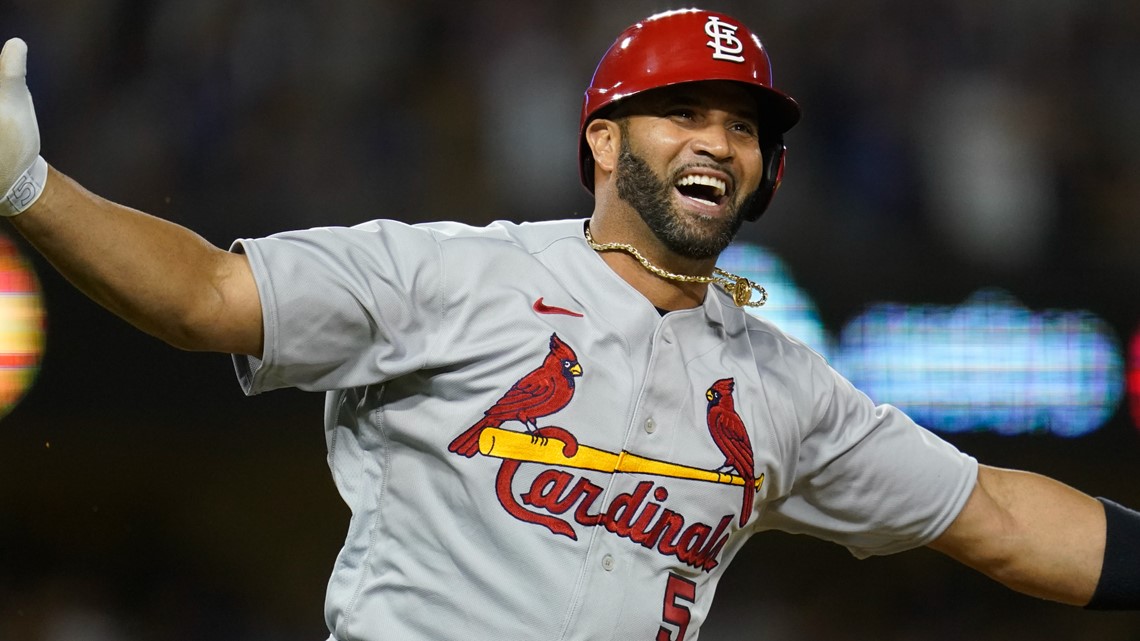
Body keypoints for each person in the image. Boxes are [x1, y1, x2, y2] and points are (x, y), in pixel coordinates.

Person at [1, 8, 1137, 640]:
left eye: (742, 128)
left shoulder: (783, 385)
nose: (717, 143)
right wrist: (29, 188)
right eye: (682, 113)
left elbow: (991, 511)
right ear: (602, 140)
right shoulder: (450, 276)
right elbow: (204, 297)